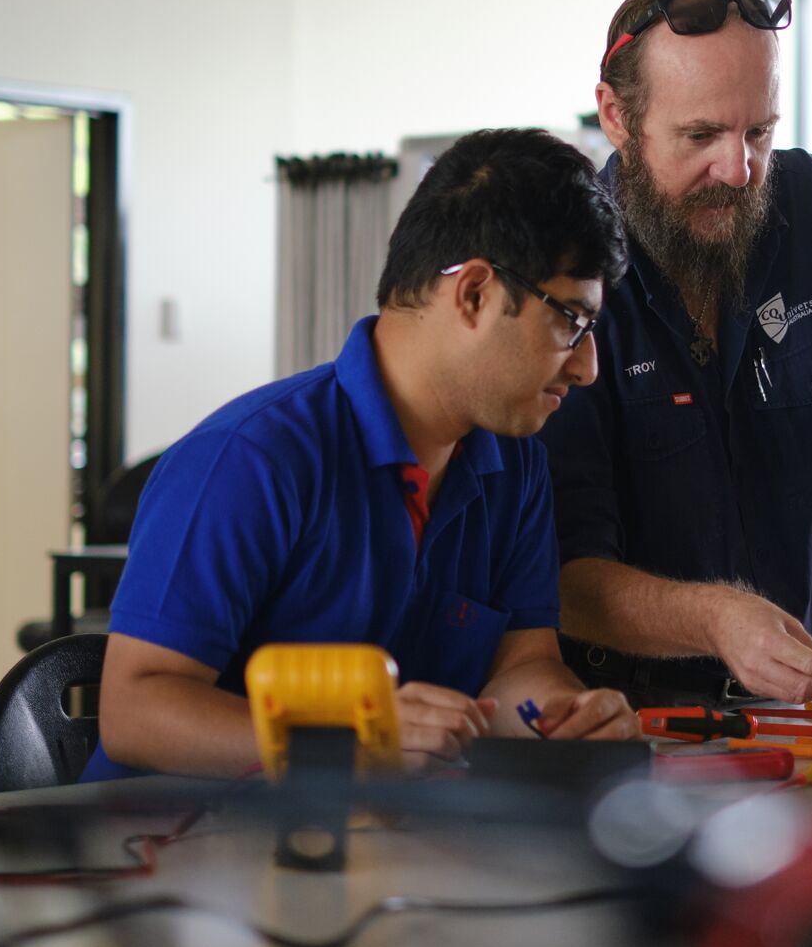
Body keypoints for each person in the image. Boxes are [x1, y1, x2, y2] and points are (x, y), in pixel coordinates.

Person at [84, 129, 639, 781]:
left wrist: (564, 715)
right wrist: (346, 744)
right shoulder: (252, 459)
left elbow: (520, 669)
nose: (589, 367)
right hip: (174, 854)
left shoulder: (515, 468)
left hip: (375, 850)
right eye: (571, 322)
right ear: (475, 295)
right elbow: (135, 710)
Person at [541, 0, 812, 707]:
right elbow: (565, 573)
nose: (737, 169)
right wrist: (713, 620)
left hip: (811, 693)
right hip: (631, 710)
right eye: (700, 135)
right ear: (615, 116)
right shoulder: (565, 268)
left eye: (758, 131)